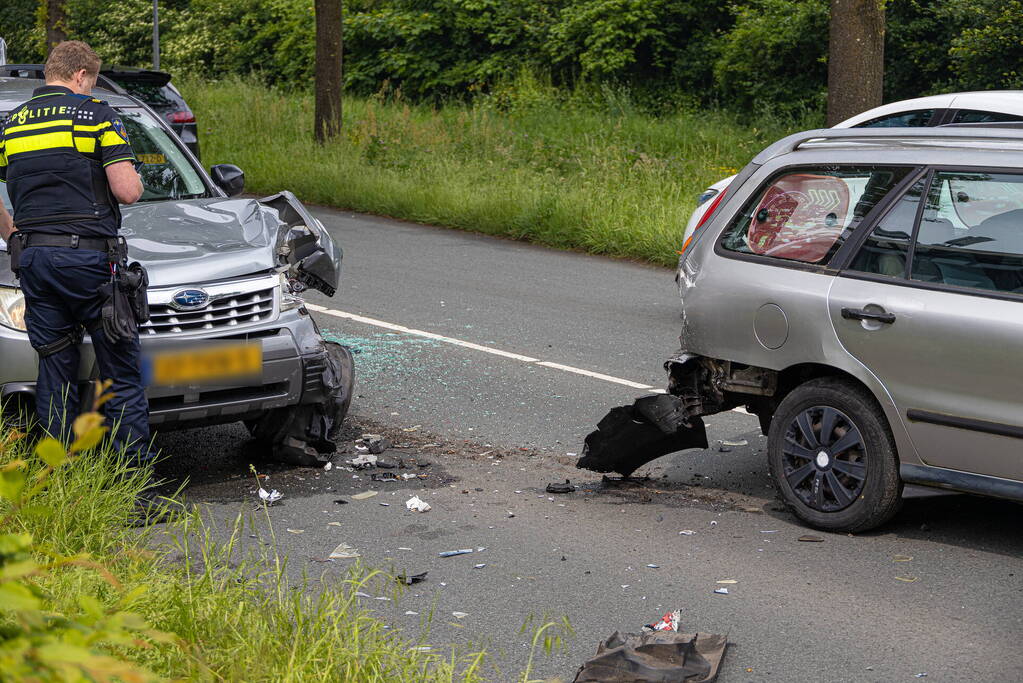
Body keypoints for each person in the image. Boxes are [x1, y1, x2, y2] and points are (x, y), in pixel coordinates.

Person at [0, 41, 162, 517]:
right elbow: (127, 191)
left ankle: (57, 486)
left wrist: (15, 236)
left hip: (34, 260)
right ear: (83, 76)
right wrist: (135, 175)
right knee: (121, 373)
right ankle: (136, 494)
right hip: (90, 263)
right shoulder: (93, 114)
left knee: (55, 368)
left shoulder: (14, 123)